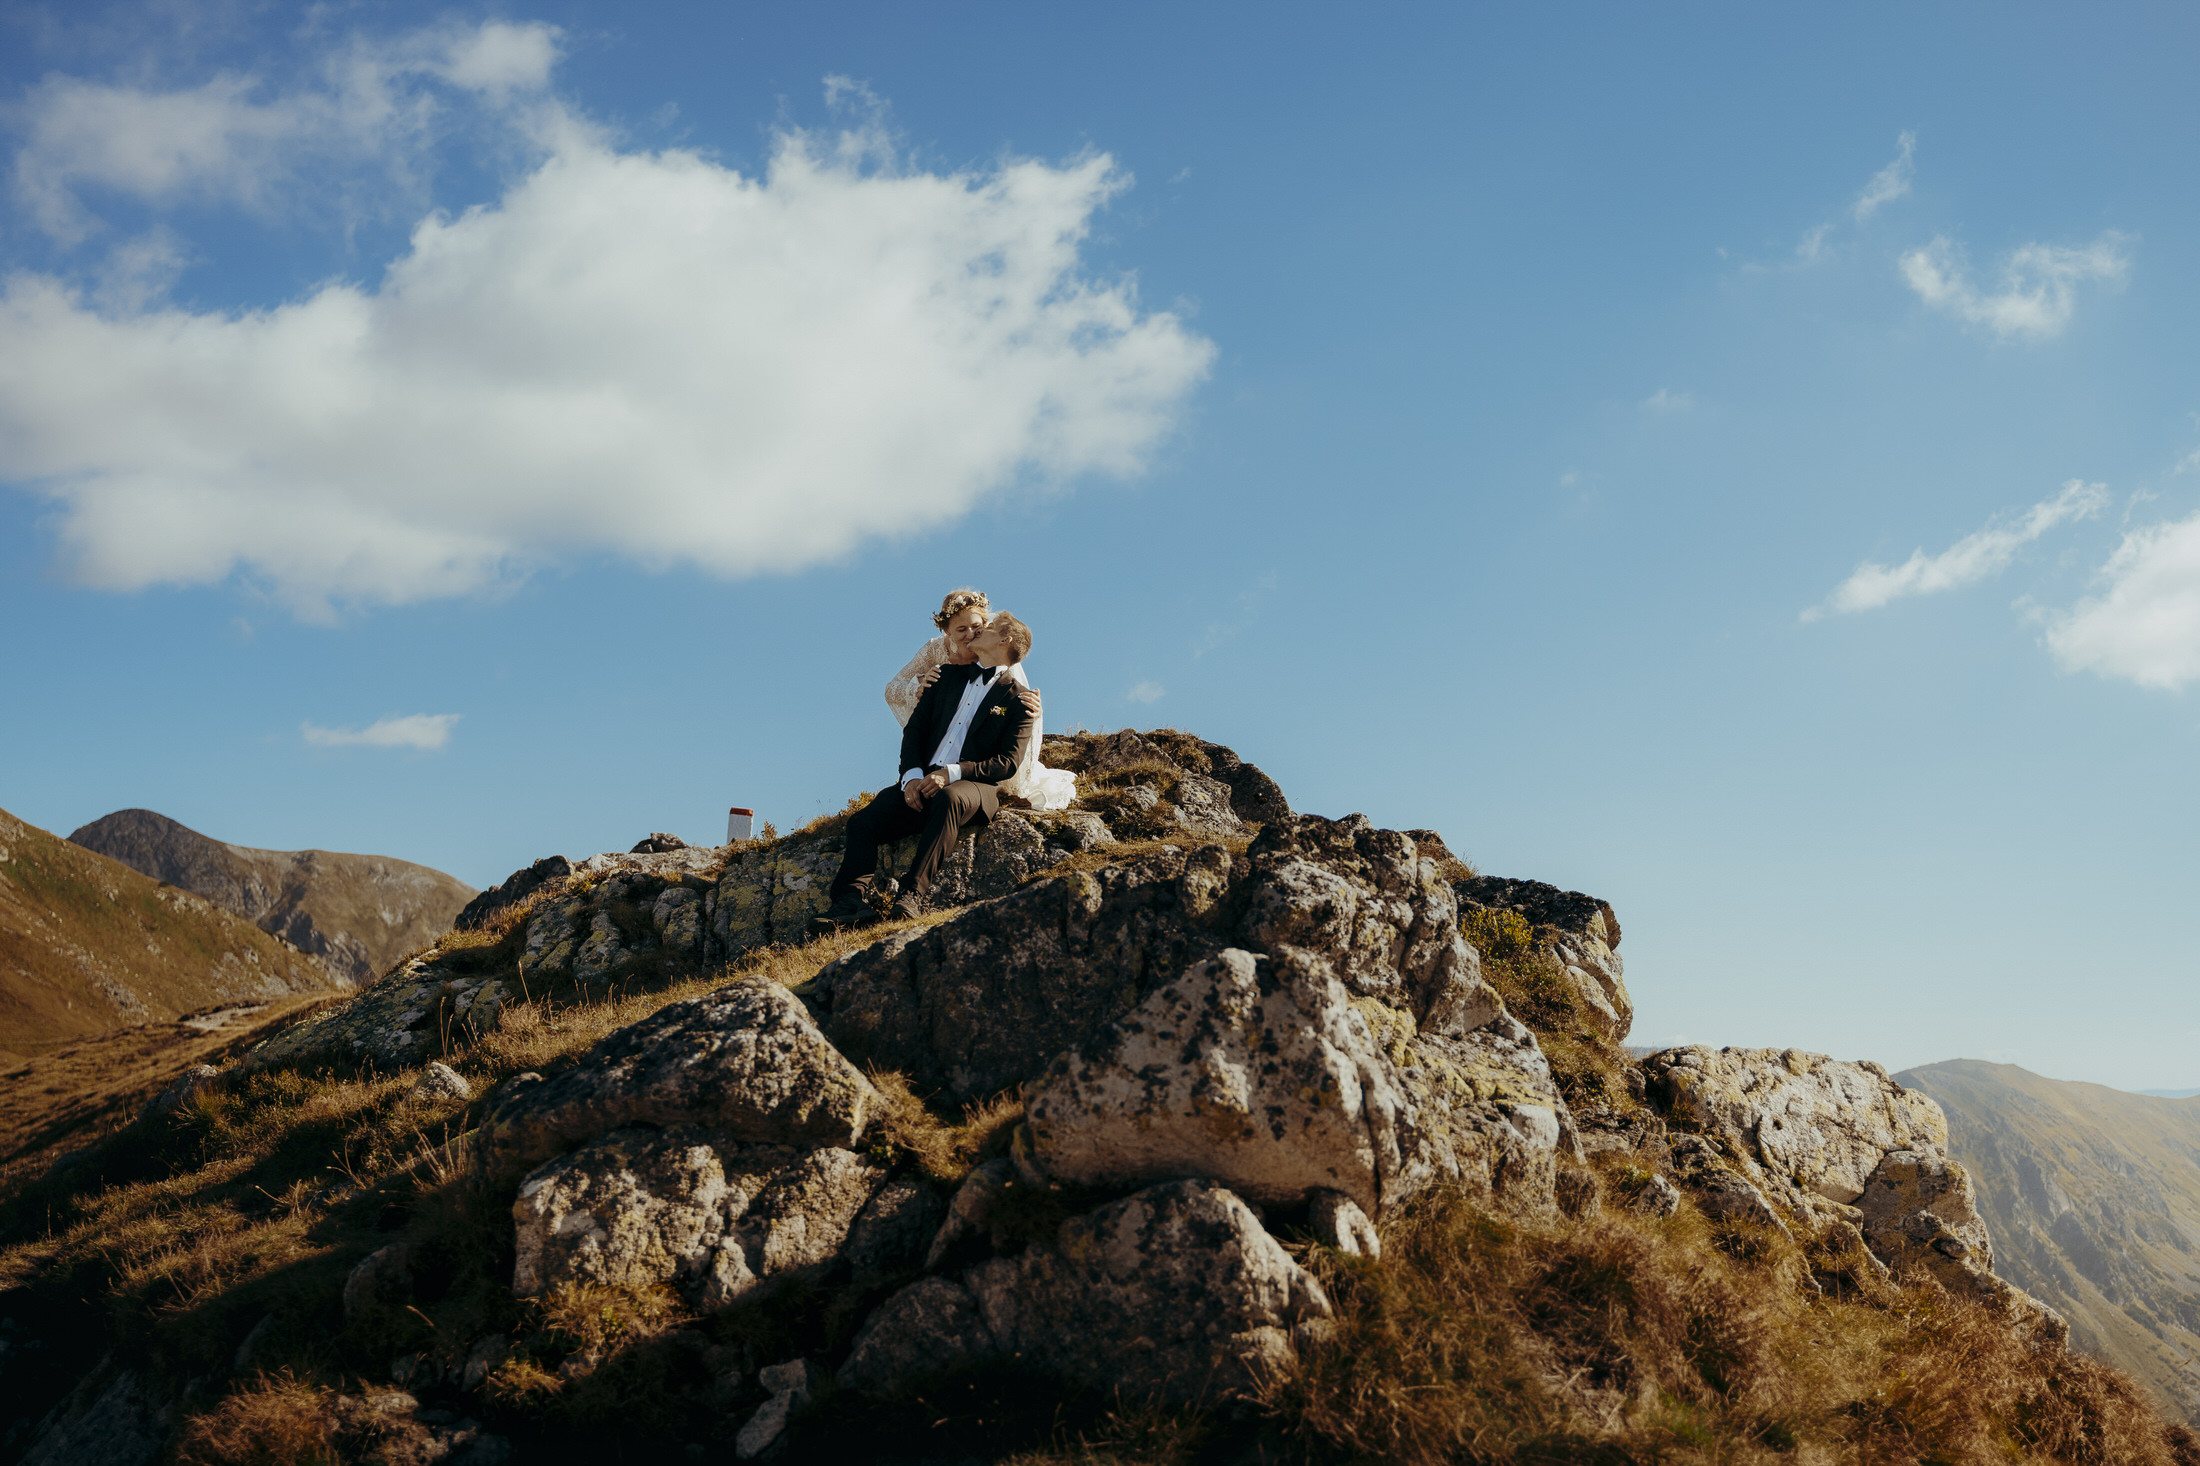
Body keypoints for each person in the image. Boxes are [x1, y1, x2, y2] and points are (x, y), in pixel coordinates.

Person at [817, 613, 1040, 928]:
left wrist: (951, 773)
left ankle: (911, 895)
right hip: (921, 780)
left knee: (949, 799)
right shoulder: (944, 677)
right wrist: (911, 777)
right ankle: (849, 903)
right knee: (862, 822)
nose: (979, 630)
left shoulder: (1020, 699)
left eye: (988, 627)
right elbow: (915, 731)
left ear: (1005, 640)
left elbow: (1008, 762)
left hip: (974, 786)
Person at [885, 589, 1077, 811]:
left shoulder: (992, 649)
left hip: (981, 746)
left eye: (976, 627)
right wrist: (919, 688)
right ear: (946, 630)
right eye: (961, 629)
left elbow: (1014, 694)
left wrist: (1035, 710)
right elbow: (892, 689)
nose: (970, 634)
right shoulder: (935, 649)